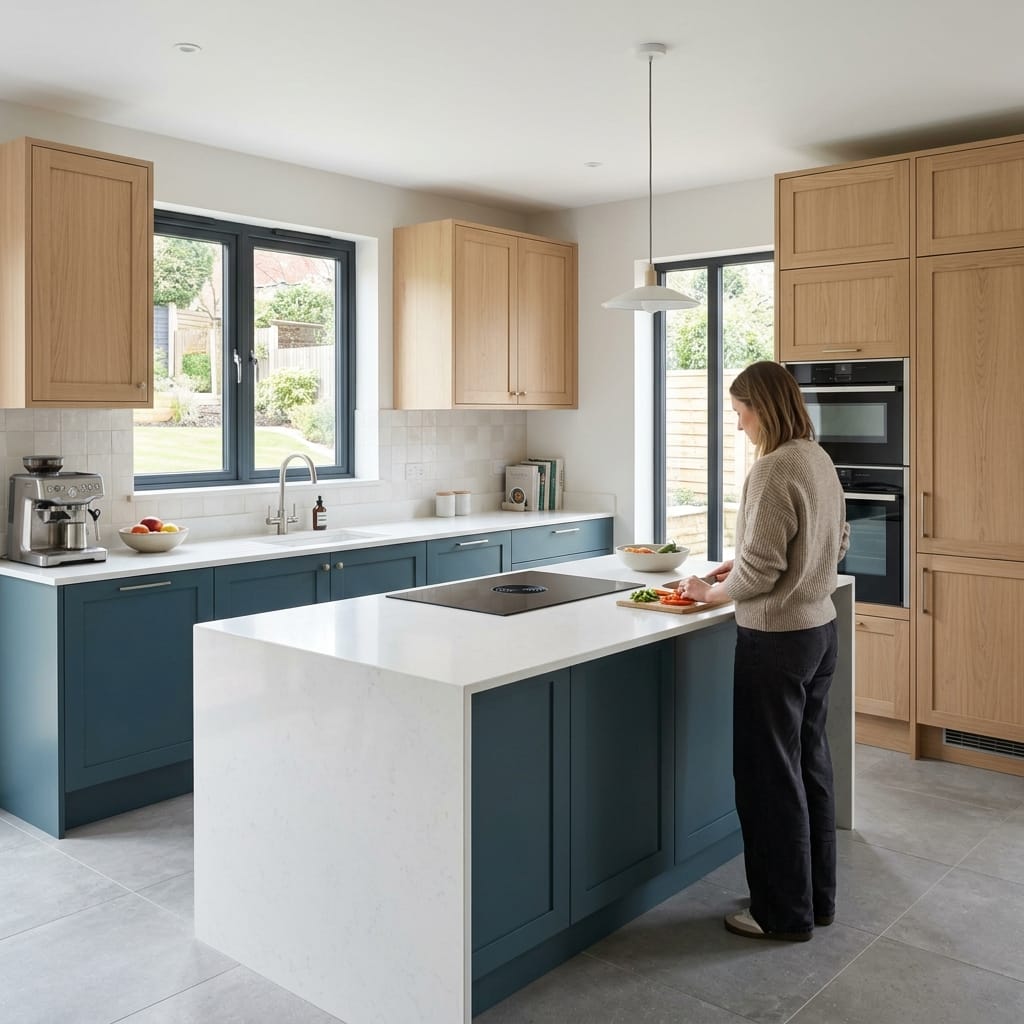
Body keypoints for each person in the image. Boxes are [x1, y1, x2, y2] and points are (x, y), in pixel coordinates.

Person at [681, 360, 849, 942]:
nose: (739, 424)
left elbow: (760, 574)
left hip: (775, 641)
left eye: (740, 411)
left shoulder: (773, 469)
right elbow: (833, 542)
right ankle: (815, 901)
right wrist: (743, 565)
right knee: (809, 767)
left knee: (767, 778)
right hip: (819, 634)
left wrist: (712, 591)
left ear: (764, 407)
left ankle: (780, 914)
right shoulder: (817, 459)